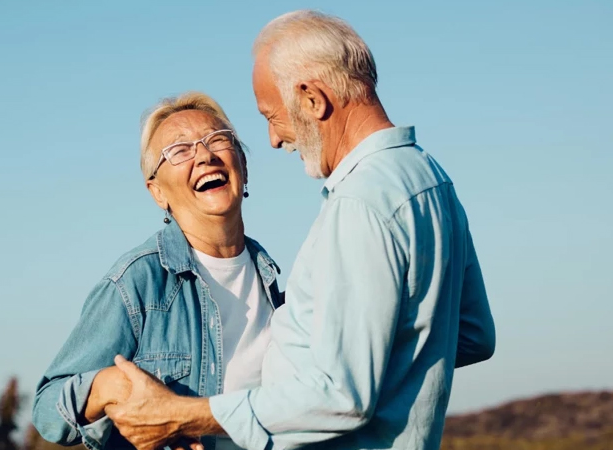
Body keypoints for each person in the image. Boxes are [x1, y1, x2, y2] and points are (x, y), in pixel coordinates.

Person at [104, 10, 497, 450]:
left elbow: (341, 396)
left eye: (272, 116)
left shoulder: (358, 204)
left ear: (312, 99)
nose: (274, 139)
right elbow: (473, 335)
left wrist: (183, 416)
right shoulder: (430, 177)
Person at [31, 92, 283, 450]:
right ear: (157, 192)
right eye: (179, 151)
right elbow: (47, 408)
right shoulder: (137, 281)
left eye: (217, 140)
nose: (205, 155)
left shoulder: (272, 279)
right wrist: (112, 385)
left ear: (242, 165)